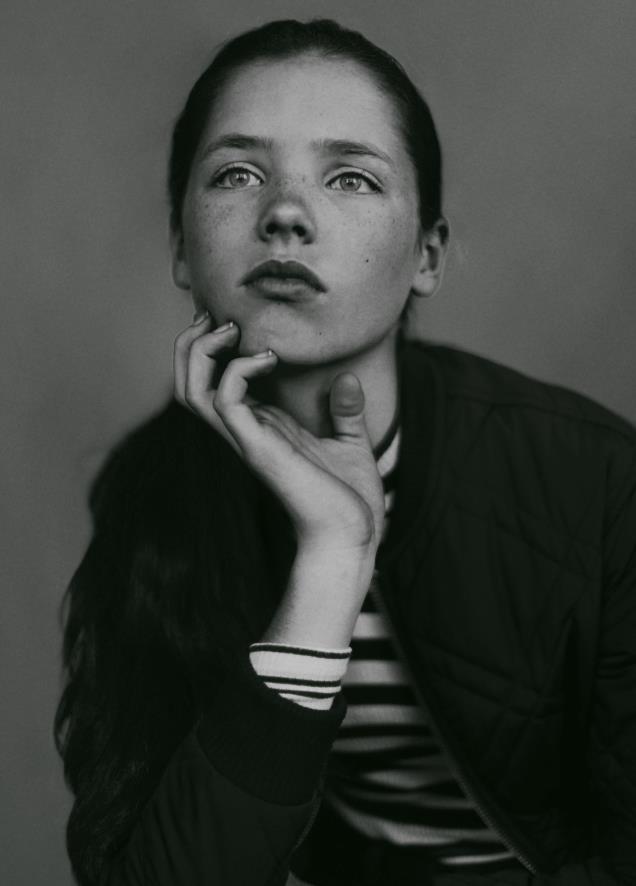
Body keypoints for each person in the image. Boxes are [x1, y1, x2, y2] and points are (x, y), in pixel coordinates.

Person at [54, 17, 636, 886]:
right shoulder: (152, 489)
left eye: (351, 178)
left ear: (427, 255)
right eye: (238, 173)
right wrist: (331, 560)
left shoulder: (599, 478)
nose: (285, 214)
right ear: (180, 245)